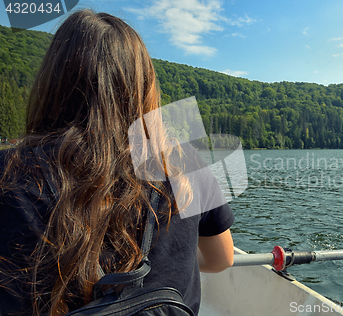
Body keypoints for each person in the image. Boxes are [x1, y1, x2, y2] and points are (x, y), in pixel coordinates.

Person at [0, 9, 234, 316]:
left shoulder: (9, 171)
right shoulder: (184, 163)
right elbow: (222, 259)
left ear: (52, 83)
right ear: (143, 87)